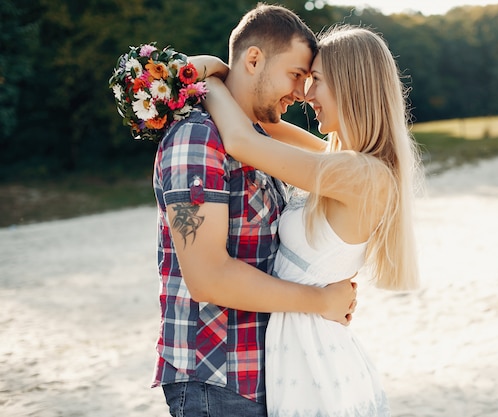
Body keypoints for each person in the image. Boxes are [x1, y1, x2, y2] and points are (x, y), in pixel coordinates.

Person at [201, 24, 420, 417]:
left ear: (351, 86)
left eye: (316, 80)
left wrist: (211, 83)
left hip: (313, 354)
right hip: (302, 345)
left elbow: (242, 142)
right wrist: (223, 69)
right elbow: (263, 125)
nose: (305, 94)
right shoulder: (343, 163)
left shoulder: (360, 175)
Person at [151, 5, 357, 417]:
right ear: (253, 59)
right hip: (219, 379)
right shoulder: (198, 139)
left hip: (266, 374)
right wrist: (320, 301)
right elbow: (208, 278)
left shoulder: (257, 140)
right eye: (296, 75)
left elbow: (336, 158)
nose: (301, 92)